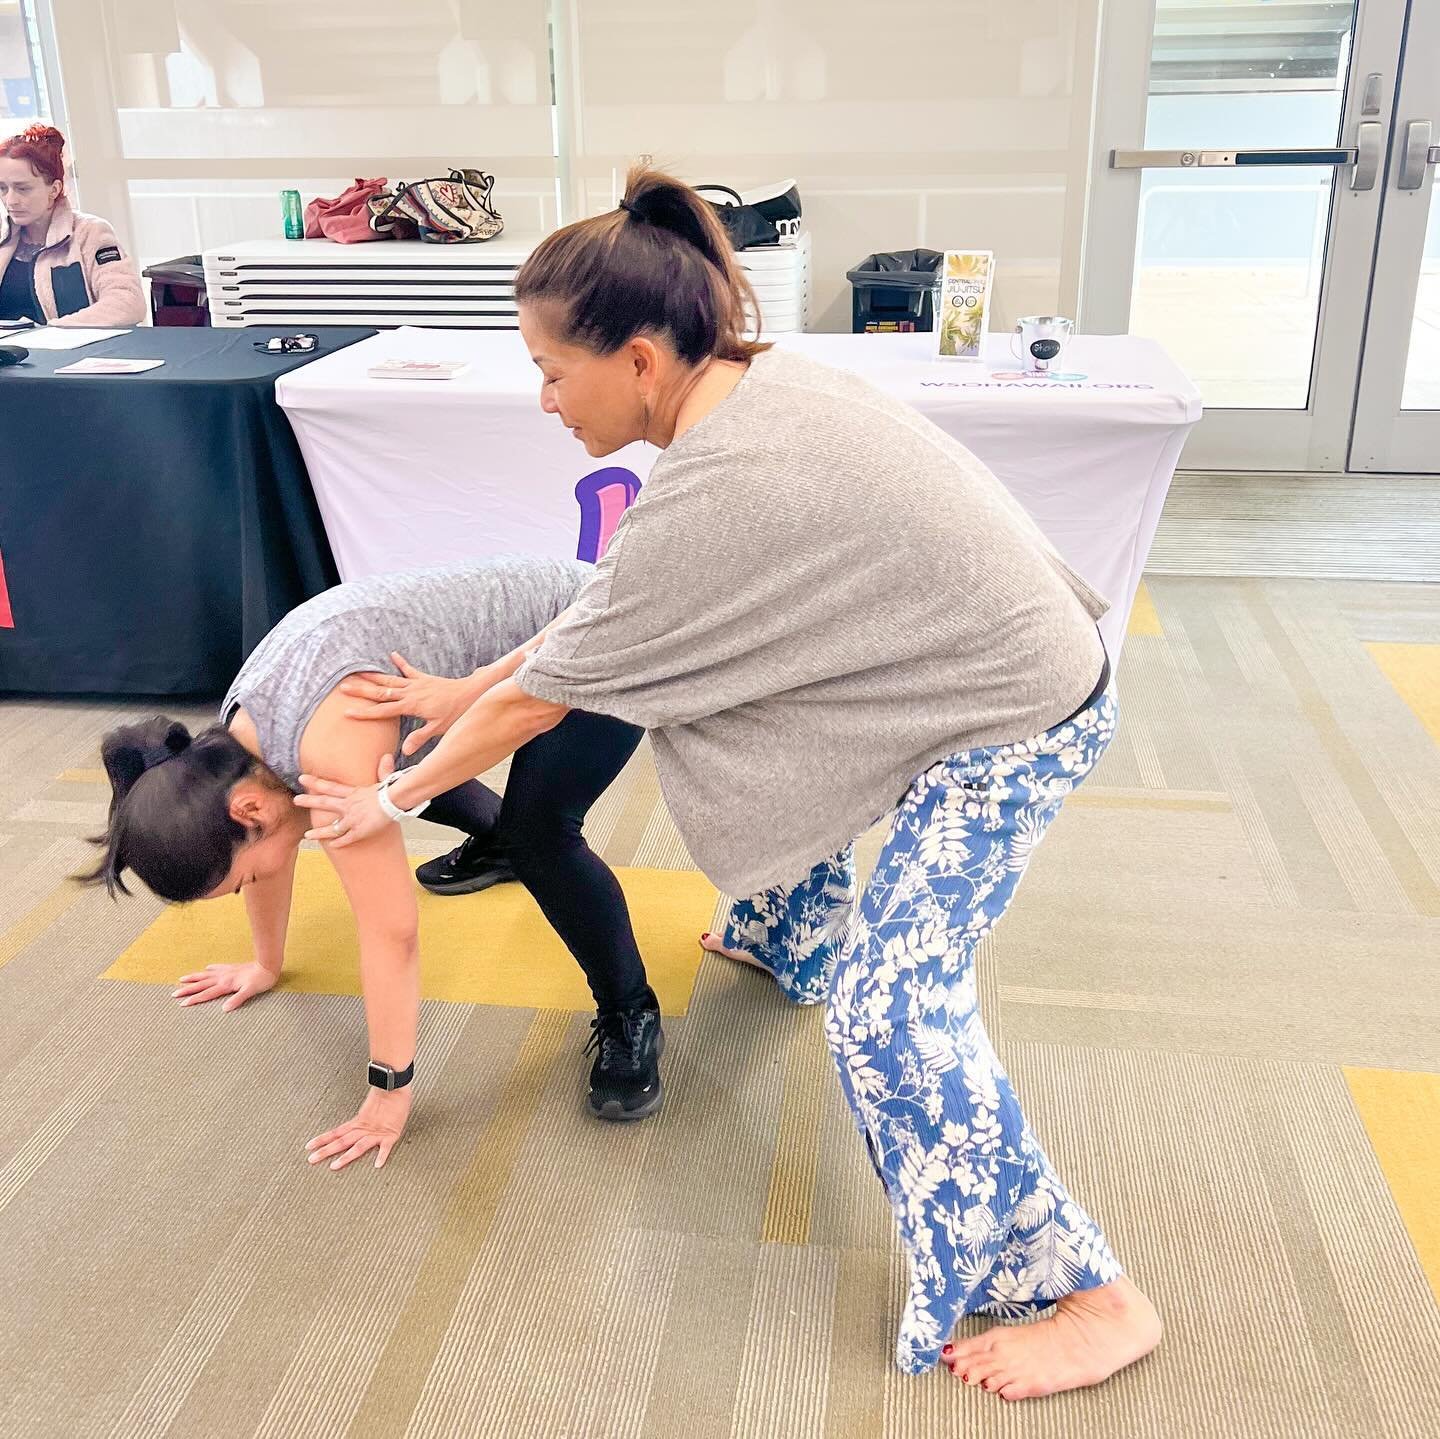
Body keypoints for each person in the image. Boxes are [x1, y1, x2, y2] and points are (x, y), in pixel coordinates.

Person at [295, 167, 1162, 1399]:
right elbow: (611, 611)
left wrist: (391, 796)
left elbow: (556, 690)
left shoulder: (721, 484)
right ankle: (787, 930)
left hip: (1015, 719)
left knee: (891, 1015)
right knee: (747, 691)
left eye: (553, 372)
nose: (543, 400)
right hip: (941, 661)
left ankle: (1092, 1293)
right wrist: (457, 686)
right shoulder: (747, 379)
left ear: (639, 359)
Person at [84, 558, 665, 1174]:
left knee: (537, 836)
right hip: (464, 677)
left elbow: (392, 932)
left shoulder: (330, 747)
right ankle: (497, 843)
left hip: (596, 632)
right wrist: (265, 962)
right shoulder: (230, 753)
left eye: (243, 880)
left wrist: (388, 1095)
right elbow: (272, 846)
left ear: (247, 808)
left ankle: (630, 1009)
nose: (252, 885)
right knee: (387, 786)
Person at [0, 124, 144, 327]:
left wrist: (53, 332)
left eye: (23, 188)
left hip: (72, 353)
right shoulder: (3, 236)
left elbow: (127, 302)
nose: (10, 200)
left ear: (54, 189)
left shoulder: (90, 233)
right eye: (2, 188)